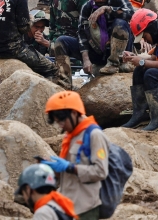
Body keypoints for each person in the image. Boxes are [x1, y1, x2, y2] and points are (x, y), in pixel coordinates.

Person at [41, 91, 111, 220]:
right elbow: (67, 171)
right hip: (66, 202)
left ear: (74, 113)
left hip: (85, 208)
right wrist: (54, 169)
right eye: (57, 122)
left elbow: (101, 171)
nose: (60, 125)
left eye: (62, 121)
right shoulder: (71, 135)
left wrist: (70, 167)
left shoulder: (94, 135)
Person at [40, 0, 92, 90]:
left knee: (58, 84)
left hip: (55, 50)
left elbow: (51, 25)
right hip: (73, 52)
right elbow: (87, 25)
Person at [78, 0, 134, 76]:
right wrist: (85, 59)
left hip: (122, 51)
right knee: (63, 41)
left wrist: (108, 9)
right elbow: (81, 33)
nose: (98, 0)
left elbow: (131, 13)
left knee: (120, 23)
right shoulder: (87, 7)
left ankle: (114, 63)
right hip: (98, 51)